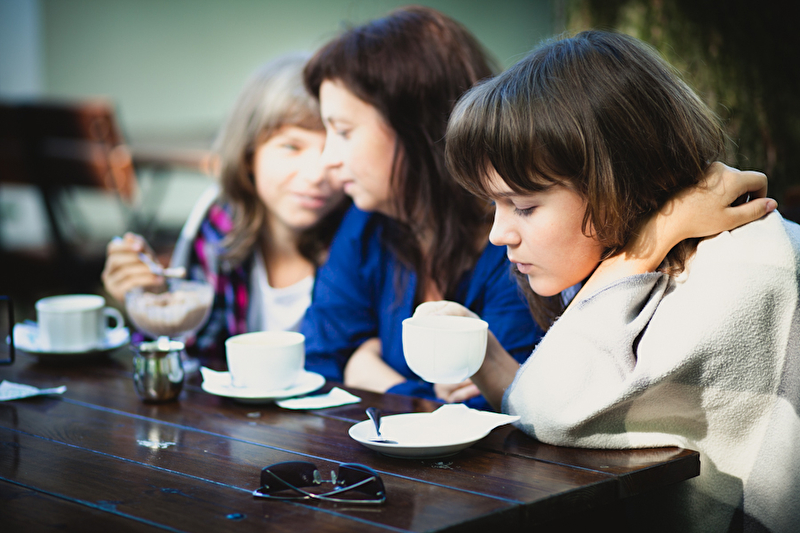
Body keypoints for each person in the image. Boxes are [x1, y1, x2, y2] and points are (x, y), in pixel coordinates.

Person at [430, 30, 797, 531]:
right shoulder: (642, 264)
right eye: (493, 204)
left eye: (524, 206)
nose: (499, 234)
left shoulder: (739, 266)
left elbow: (550, 411)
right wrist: (485, 358)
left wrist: (649, 240)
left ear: (618, 179)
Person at [299, 6, 543, 410]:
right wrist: (425, 397)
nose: (327, 159)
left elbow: (500, 405)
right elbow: (319, 360)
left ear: (417, 126)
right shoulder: (366, 223)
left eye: (343, 131)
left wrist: (376, 379)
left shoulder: (515, 240)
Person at [102, 53, 348, 360]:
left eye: (334, 146)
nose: (316, 174)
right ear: (248, 155)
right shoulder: (219, 223)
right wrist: (154, 301)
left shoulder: (361, 236)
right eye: (291, 146)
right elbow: (194, 351)